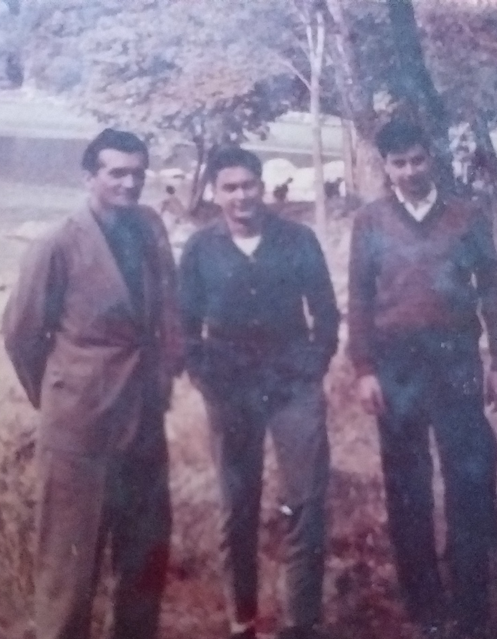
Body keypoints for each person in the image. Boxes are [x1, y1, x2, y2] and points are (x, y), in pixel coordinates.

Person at [1, 128, 183, 639]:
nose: (129, 184)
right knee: (69, 572)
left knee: (144, 559)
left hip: (144, 421)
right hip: (80, 431)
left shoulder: (150, 228)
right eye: (116, 173)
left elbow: (165, 306)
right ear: (90, 177)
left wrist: (165, 374)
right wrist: (61, 394)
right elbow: (20, 333)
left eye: (137, 174)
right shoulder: (56, 244)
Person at [346, 120, 497, 638]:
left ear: (430, 158)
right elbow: (359, 298)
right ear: (386, 166)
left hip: (455, 359)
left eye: (417, 160)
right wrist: (365, 369)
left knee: (466, 477)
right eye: (399, 163)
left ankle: (471, 604)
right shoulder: (370, 221)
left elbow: (491, 290)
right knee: (407, 484)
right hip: (396, 366)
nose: (410, 171)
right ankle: (424, 604)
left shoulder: (466, 214)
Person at [179, 146, 340, 639]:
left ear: (261, 187)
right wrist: (204, 375)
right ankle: (241, 618)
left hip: (292, 384)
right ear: (214, 193)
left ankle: (300, 622)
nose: (241, 195)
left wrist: (314, 364)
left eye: (248, 185)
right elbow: (184, 325)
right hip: (230, 390)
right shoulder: (201, 248)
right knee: (237, 503)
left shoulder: (297, 239)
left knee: (306, 500)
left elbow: (326, 312)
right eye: (230, 187)